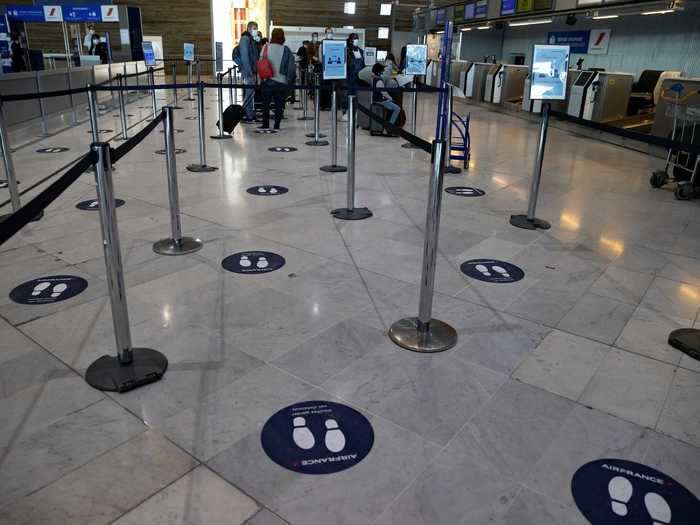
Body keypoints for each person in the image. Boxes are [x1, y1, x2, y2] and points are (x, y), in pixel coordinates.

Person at [259, 28, 294, 130]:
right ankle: (276, 125)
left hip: (267, 80)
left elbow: (260, 61)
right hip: (281, 81)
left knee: (265, 104)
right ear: (282, 37)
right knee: (279, 105)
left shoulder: (266, 47)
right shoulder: (286, 49)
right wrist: (289, 81)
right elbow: (291, 67)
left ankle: (265, 124)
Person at [236, 21, 261, 122]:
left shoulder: (251, 39)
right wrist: (249, 71)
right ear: (249, 28)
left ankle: (250, 114)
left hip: (252, 70)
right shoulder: (245, 39)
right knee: (249, 93)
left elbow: (254, 55)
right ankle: (244, 113)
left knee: (251, 93)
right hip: (248, 71)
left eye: (257, 28)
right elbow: (245, 57)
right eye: (255, 28)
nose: (256, 31)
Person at [341, 32, 365, 121]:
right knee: (346, 95)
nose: (356, 40)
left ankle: (354, 112)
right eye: (354, 38)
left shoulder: (361, 51)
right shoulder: (346, 51)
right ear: (350, 40)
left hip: (359, 77)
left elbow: (363, 63)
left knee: (356, 96)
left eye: (357, 38)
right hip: (349, 76)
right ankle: (345, 112)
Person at [371, 63, 400, 129]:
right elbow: (384, 93)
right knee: (397, 108)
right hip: (380, 101)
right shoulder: (379, 81)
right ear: (379, 72)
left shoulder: (373, 79)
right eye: (382, 70)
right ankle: (390, 126)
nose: (383, 71)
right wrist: (391, 98)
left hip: (376, 99)